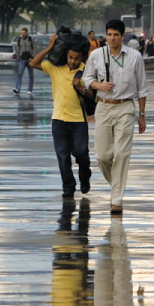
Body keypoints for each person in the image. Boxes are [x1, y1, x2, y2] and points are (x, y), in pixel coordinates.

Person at [82, 19, 149, 215]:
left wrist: (142, 115)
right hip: (103, 107)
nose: (112, 38)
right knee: (102, 156)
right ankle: (117, 187)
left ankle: (116, 199)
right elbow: (86, 79)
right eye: (109, 35)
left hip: (125, 107)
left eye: (116, 35)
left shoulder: (135, 57)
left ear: (123, 36)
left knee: (121, 153)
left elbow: (142, 88)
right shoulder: (96, 54)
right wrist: (98, 86)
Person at [31, 34, 93, 198]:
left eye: (76, 58)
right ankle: (68, 187)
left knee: (81, 153)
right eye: (70, 57)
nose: (73, 61)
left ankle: (85, 175)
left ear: (82, 57)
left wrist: (80, 87)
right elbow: (33, 63)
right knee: (62, 155)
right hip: (58, 119)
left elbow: (93, 95)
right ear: (66, 54)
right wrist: (49, 47)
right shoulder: (55, 68)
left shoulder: (86, 71)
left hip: (79, 121)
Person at [12, 28, 36, 95]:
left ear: (27, 33)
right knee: (19, 74)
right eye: (22, 33)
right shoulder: (19, 40)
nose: (23, 34)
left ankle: (29, 90)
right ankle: (17, 88)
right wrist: (18, 58)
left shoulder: (31, 39)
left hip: (29, 60)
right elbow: (18, 49)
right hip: (22, 59)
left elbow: (34, 49)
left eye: (24, 33)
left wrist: (32, 57)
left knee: (31, 75)